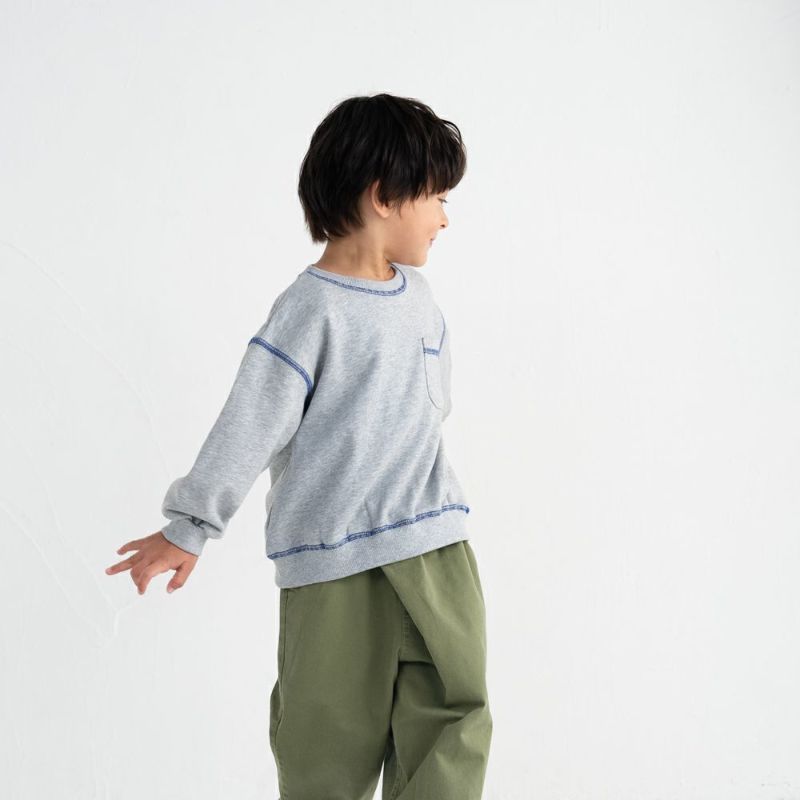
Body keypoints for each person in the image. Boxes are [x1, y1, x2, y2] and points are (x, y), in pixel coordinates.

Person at [105, 92, 492, 799]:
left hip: (433, 548)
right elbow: (252, 418)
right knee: (324, 745)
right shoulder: (310, 310)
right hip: (332, 561)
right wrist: (191, 526)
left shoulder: (422, 300)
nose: (445, 217)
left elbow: (433, 409)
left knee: (452, 721)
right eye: (436, 197)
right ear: (383, 196)